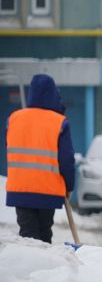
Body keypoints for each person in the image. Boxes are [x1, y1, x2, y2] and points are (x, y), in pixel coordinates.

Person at [5, 74, 75, 244]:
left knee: (27, 237)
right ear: (52, 94)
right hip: (47, 190)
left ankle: (29, 269)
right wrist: (69, 186)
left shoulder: (14, 119)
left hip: (20, 190)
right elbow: (67, 160)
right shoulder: (58, 122)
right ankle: (43, 268)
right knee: (44, 236)